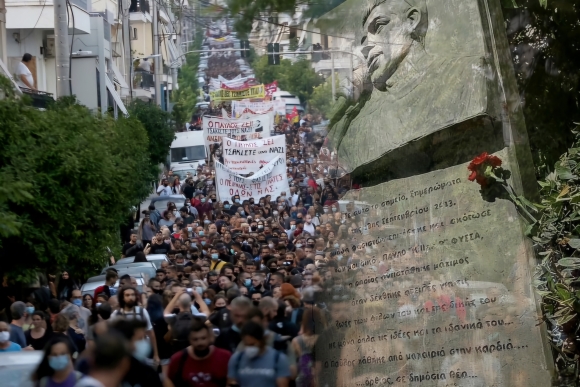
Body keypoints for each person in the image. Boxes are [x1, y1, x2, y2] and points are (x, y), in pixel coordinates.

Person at [167, 320, 232, 387]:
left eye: (203, 338)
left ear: (209, 337)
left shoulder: (225, 356)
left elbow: (232, 381)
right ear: (189, 340)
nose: (200, 343)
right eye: (195, 339)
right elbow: (168, 380)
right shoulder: (178, 359)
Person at [227, 321, 291, 387]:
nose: (249, 348)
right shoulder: (237, 359)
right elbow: (231, 383)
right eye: (246, 345)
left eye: (252, 344)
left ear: (262, 340)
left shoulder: (278, 359)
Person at [110, 286, 160, 365]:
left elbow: (151, 333)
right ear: (122, 298)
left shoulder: (142, 312)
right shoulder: (115, 315)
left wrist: (156, 354)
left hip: (141, 353)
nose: (131, 297)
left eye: (133, 295)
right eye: (127, 295)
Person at [108, 319, 163, 387]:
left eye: (143, 338)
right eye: (139, 339)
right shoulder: (103, 372)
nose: (142, 343)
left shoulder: (147, 373)